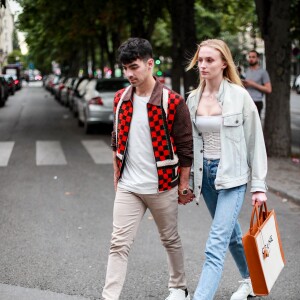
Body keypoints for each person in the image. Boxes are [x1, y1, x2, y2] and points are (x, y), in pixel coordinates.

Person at [102, 37, 194, 300]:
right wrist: (117, 177)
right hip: (129, 186)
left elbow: (185, 149)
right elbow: (116, 139)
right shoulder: (121, 98)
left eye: (134, 67)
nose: (129, 74)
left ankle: (179, 288)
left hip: (162, 185)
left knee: (170, 239)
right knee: (118, 243)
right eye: (125, 69)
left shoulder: (172, 102)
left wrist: (183, 185)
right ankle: (109, 296)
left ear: (150, 63)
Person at [185, 39, 268, 300]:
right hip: (206, 178)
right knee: (230, 236)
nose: (203, 65)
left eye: (209, 60)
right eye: (200, 60)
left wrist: (258, 186)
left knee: (215, 244)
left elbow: (255, 142)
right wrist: (185, 181)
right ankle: (251, 280)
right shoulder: (192, 99)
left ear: (224, 63)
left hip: (232, 176)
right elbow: (188, 145)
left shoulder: (240, 96)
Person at [243, 50, 272, 118]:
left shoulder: (263, 72)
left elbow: (269, 89)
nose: (251, 59)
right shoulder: (247, 71)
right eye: (249, 57)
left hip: (257, 102)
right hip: (246, 101)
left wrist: (253, 84)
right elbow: (247, 85)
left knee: (254, 126)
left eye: (253, 57)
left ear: (257, 58)